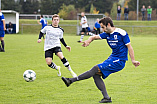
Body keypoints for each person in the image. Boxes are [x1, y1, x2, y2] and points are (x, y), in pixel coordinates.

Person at [61, 17, 140, 103]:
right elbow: (94, 37)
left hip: (119, 61)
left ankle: (71, 80)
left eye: (103, 27)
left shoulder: (121, 33)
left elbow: (129, 47)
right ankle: (106, 98)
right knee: (96, 75)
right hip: (112, 58)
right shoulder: (107, 34)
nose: (102, 29)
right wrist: (88, 41)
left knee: (95, 69)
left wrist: (133, 60)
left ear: (108, 25)